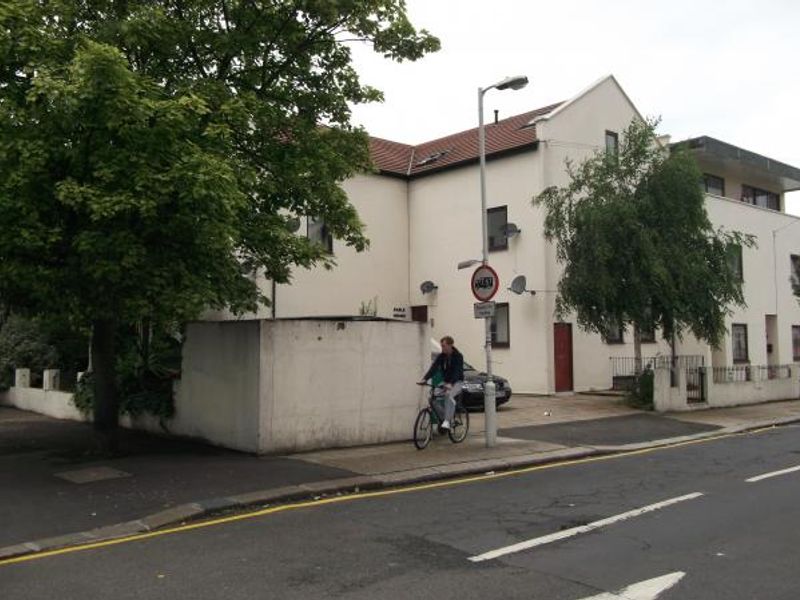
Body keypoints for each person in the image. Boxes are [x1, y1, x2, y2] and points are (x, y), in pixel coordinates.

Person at [419, 335, 464, 431]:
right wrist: (425, 379)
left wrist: (451, 384)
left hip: (457, 382)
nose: (442, 347)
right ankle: (445, 418)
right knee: (432, 397)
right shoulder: (442, 356)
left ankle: (447, 422)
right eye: (441, 345)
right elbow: (434, 368)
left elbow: (457, 371)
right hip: (446, 382)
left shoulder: (458, 356)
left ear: (450, 345)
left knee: (448, 395)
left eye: (443, 345)